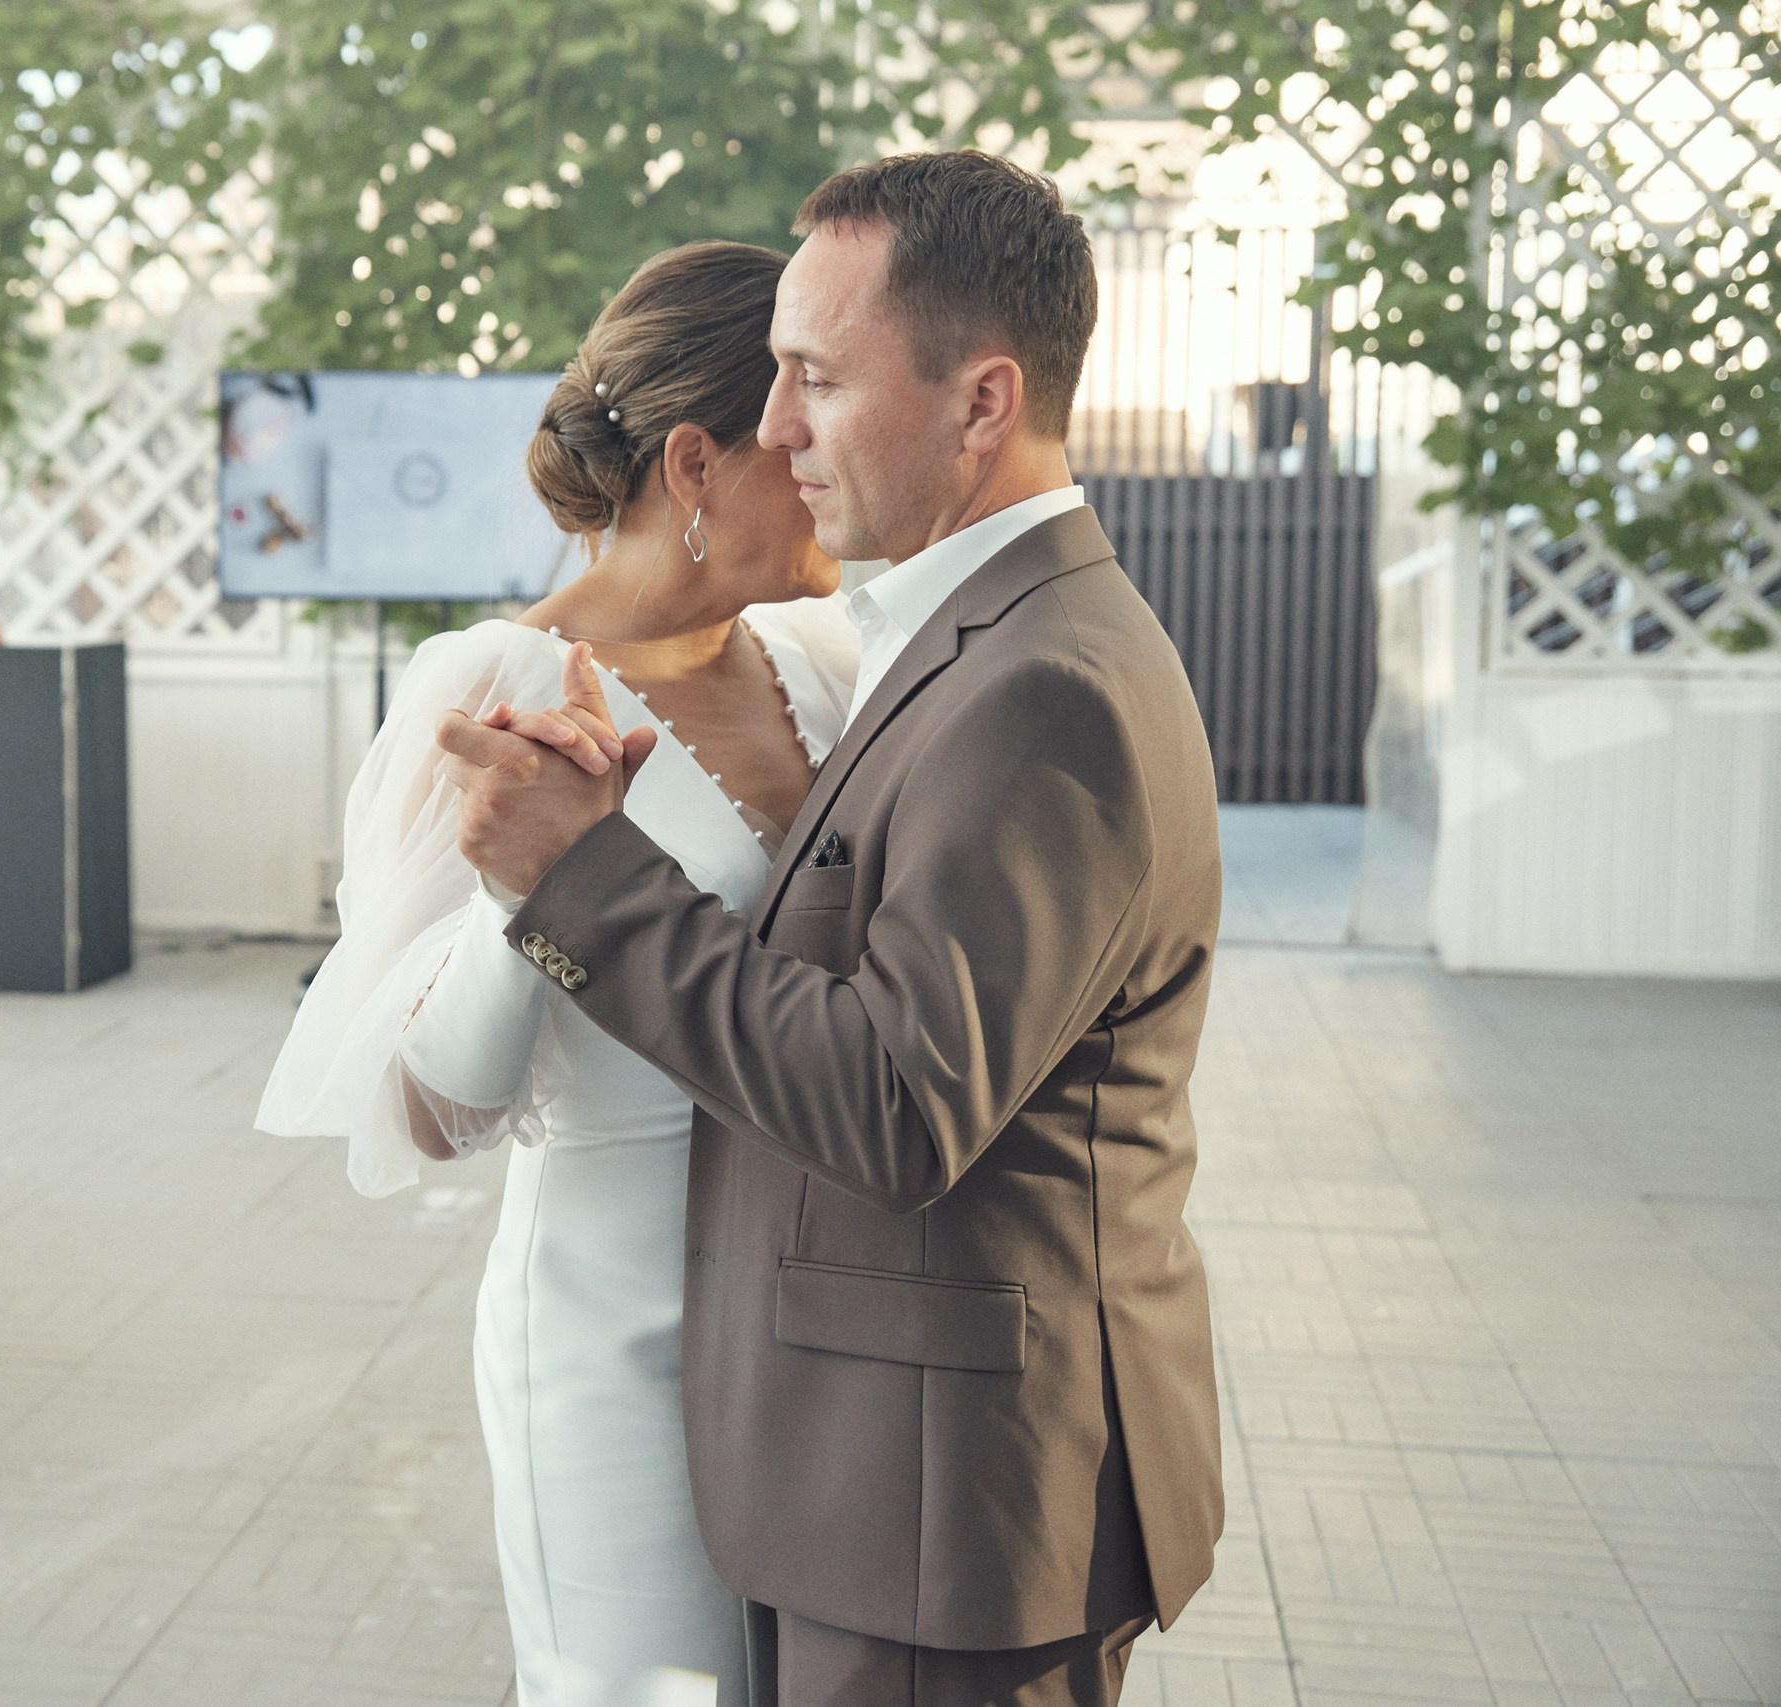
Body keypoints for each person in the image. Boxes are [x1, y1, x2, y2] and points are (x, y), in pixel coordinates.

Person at [436, 153, 1224, 1707]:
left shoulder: (1039, 683)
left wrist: (583, 876)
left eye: (813, 376)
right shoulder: (959, 635)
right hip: (887, 1480)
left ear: (982, 400)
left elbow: (893, 1098)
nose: (776, 427)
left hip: (946, 1507)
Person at [259, 242, 857, 1707]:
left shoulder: (825, 664)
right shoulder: (501, 688)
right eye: (801, 425)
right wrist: (525, 889)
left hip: (822, 1318)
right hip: (614, 1330)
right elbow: (418, 1107)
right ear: (698, 462)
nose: (829, 457)